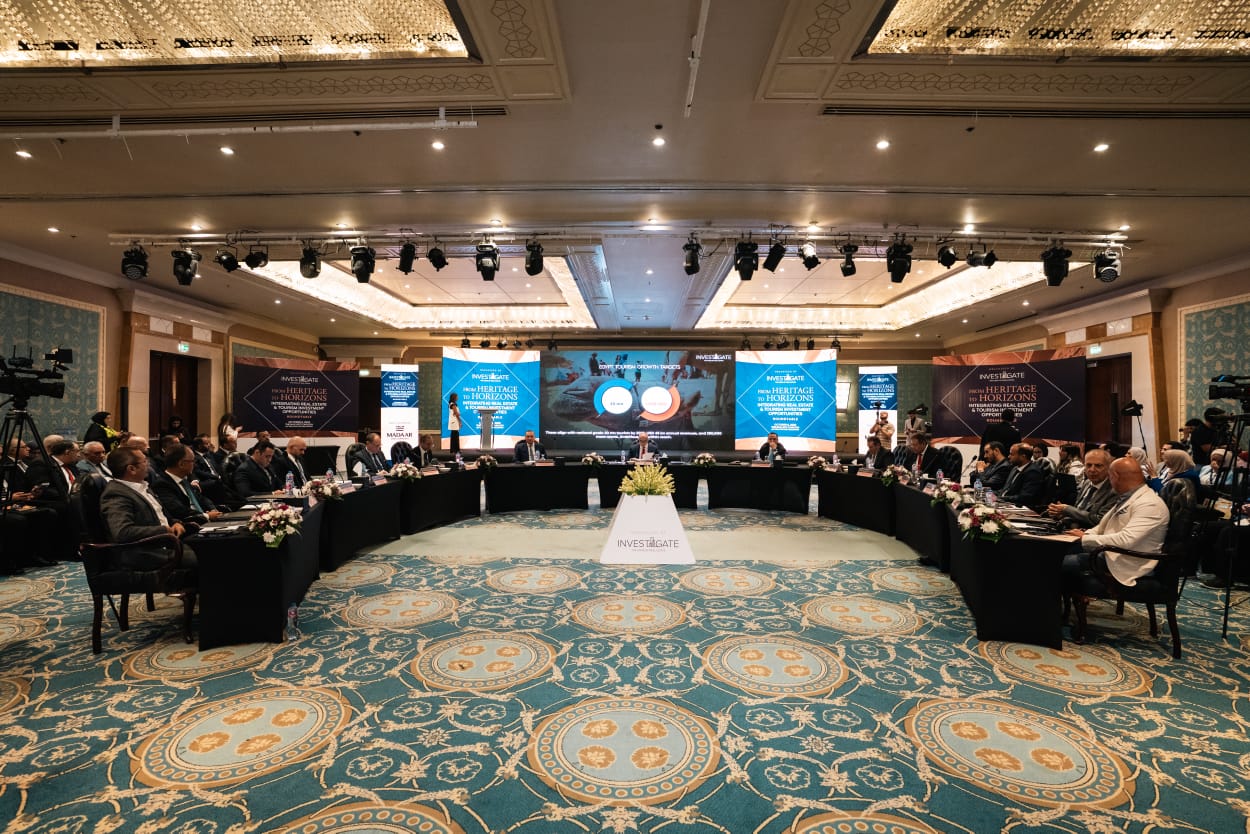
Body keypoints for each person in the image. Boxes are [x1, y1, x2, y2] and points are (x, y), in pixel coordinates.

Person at [1066, 457, 1169, 587]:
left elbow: (1126, 540)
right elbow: (1102, 526)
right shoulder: (1128, 497)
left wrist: (1085, 538)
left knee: (1055, 563)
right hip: (1110, 554)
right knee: (1054, 552)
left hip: (1128, 562)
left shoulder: (1149, 504)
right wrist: (1085, 534)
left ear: (1115, 476)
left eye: (1109, 476)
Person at [99, 446, 197, 579]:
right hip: (144, 553)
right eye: (144, 461)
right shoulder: (116, 494)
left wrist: (175, 523)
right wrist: (164, 530)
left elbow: (162, 515)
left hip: (166, 544)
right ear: (131, 469)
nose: (148, 464)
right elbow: (122, 532)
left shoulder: (143, 486)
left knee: (214, 547)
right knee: (207, 557)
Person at [153, 443, 221, 525]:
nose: (194, 464)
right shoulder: (162, 484)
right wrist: (206, 516)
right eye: (192, 461)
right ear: (181, 464)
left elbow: (202, 498)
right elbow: (178, 510)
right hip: (190, 526)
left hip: (206, 522)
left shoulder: (184, 479)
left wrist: (212, 509)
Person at [1048, 448, 1117, 528]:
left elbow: (1099, 520)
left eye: (1098, 466)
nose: (1092, 470)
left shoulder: (1114, 490)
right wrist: (1062, 514)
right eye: (1088, 465)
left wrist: (1067, 509)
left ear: (1109, 467)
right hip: (1072, 529)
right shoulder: (1087, 483)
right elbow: (1078, 512)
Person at [1001, 443, 1046, 507]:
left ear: (1023, 456)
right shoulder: (1015, 468)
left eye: (1012, 454)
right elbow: (1005, 489)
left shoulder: (1033, 472)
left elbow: (1025, 497)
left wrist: (1001, 498)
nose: (1008, 457)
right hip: (1006, 503)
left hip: (1020, 507)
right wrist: (992, 494)